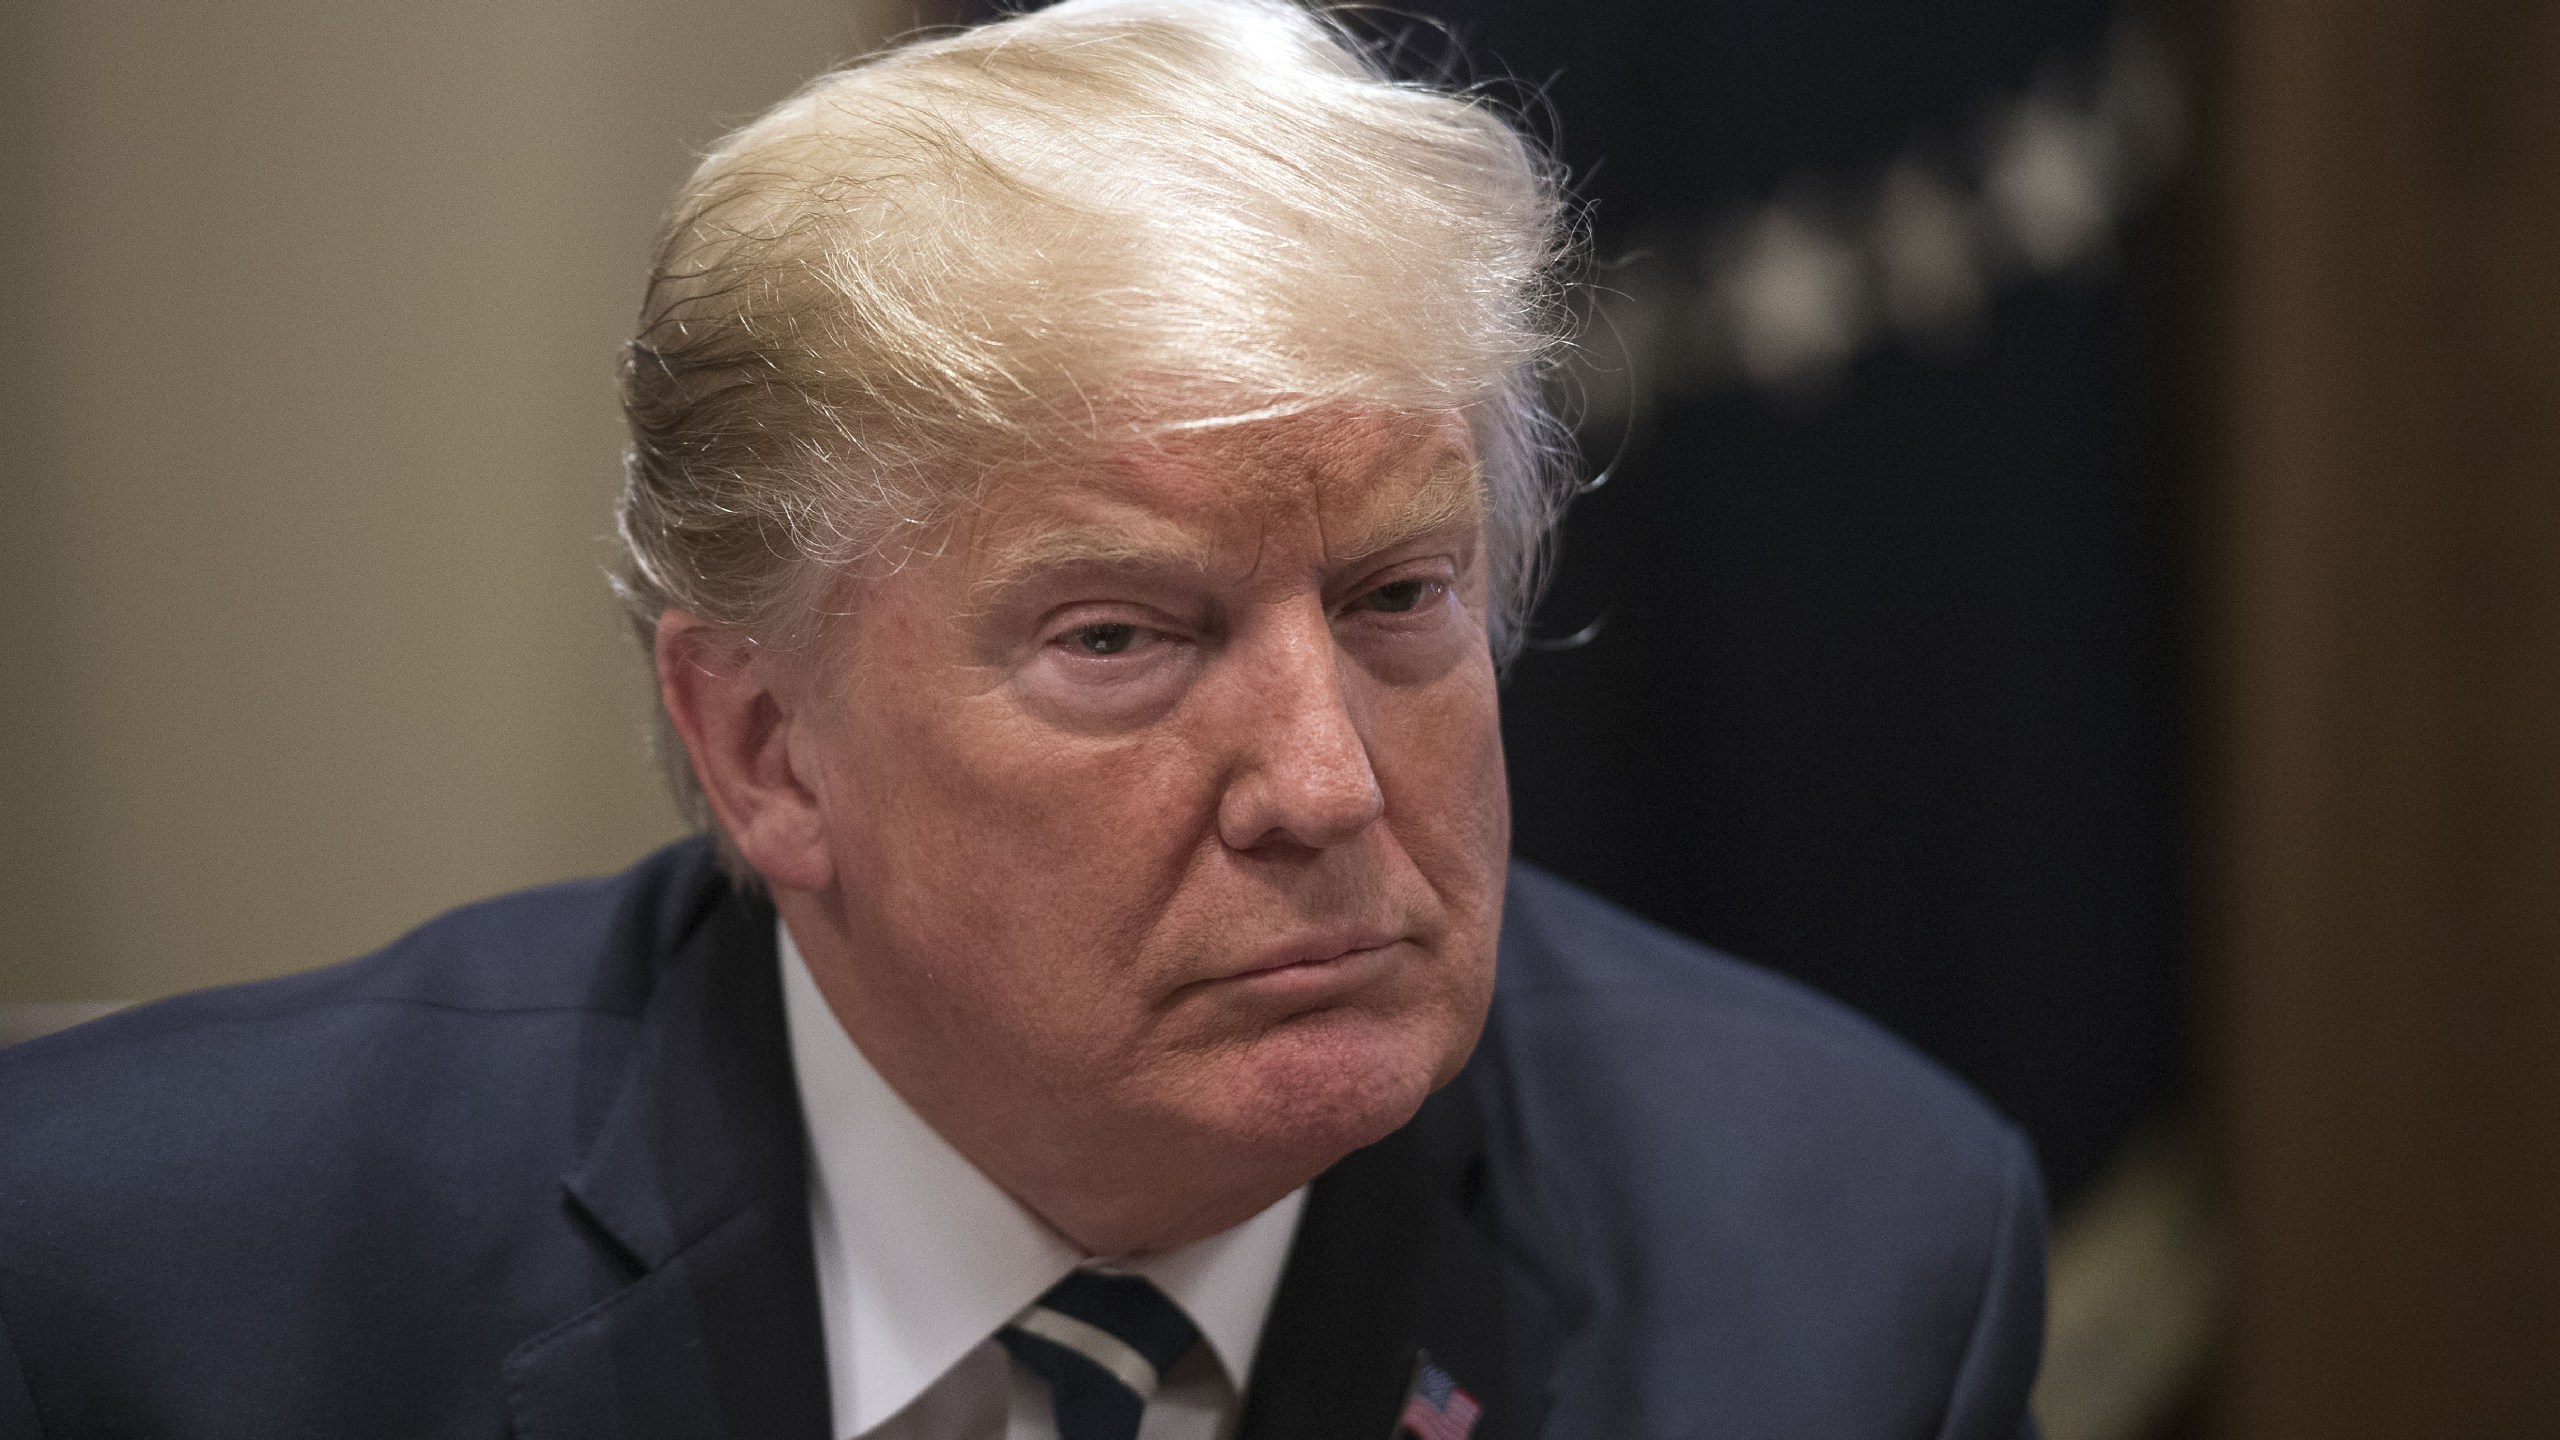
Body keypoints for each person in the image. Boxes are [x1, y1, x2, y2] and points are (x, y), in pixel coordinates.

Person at [0, 2, 2045, 1436]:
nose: (1325, 783)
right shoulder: (139, 1292)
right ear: (761, 746)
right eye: (1121, 638)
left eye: (1396, 600)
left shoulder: (1851, 1265)